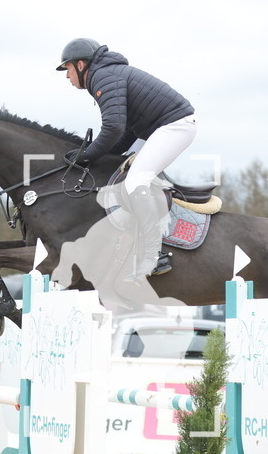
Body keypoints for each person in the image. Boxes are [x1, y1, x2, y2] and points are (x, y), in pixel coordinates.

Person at [57, 38, 197, 279]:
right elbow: (125, 133)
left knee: (135, 182)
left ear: (81, 65)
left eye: (67, 69)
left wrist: (87, 154)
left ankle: (154, 256)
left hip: (175, 126)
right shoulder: (105, 75)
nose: (67, 77)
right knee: (117, 173)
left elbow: (112, 129)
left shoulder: (103, 77)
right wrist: (97, 156)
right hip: (158, 129)